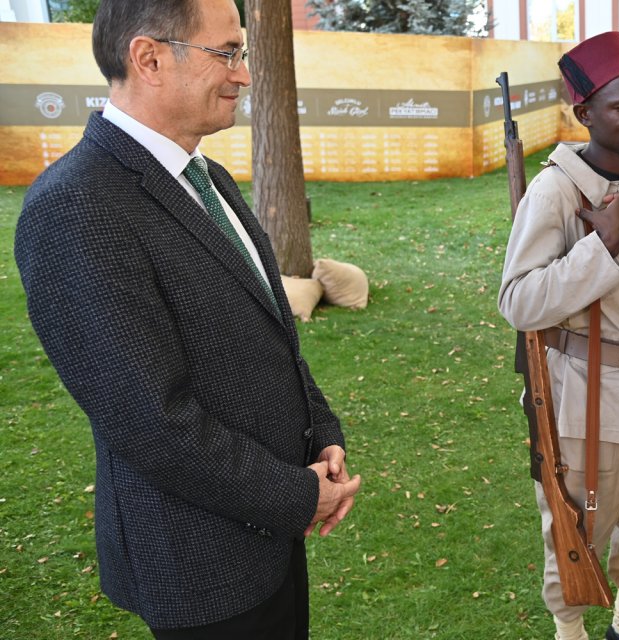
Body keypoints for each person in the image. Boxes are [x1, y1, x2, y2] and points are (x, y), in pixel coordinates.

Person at [13, 0, 361, 637]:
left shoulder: (208, 177)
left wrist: (321, 433)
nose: (245, 75)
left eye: (243, 54)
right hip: (199, 566)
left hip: (271, 535)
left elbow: (268, 334)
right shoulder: (76, 208)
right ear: (147, 59)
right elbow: (151, 421)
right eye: (226, 53)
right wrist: (295, 497)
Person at [498, 31, 619, 640]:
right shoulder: (556, 191)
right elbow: (519, 301)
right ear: (585, 114)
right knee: (577, 531)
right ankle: (571, 630)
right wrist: (599, 247)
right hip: (588, 403)